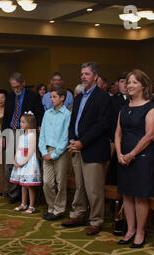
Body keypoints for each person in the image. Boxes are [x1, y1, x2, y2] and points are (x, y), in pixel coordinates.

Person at [62, 62, 111, 236]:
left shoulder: (103, 97)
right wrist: (72, 141)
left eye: (87, 74)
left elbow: (102, 125)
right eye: (81, 74)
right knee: (80, 186)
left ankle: (96, 220)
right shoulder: (78, 97)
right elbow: (73, 123)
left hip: (94, 149)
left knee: (94, 188)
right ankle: (78, 214)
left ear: (96, 77)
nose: (83, 77)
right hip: (77, 148)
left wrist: (83, 142)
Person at [115, 69, 154, 248]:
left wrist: (132, 154)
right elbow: (117, 133)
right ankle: (130, 230)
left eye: (134, 82)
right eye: (128, 82)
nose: (129, 85)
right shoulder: (124, 108)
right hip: (123, 156)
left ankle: (140, 232)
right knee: (126, 193)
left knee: (140, 195)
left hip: (142, 156)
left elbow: (149, 135)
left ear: (143, 86)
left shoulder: (150, 107)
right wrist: (119, 154)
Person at [2, 72, 44, 204]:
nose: (15, 89)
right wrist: (3, 135)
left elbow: (39, 114)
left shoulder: (34, 96)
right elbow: (6, 117)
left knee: (27, 163)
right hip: (11, 131)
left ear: (23, 83)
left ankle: (28, 195)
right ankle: (14, 194)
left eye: (17, 86)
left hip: (26, 133)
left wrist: (37, 129)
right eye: (13, 87)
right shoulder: (9, 97)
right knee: (10, 164)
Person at [39, 88, 71, 221]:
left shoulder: (67, 114)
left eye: (54, 97)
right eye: (50, 97)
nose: (51, 99)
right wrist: (44, 152)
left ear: (62, 98)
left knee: (60, 182)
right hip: (47, 150)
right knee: (47, 182)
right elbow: (42, 134)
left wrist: (55, 154)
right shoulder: (47, 113)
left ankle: (58, 210)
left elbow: (65, 137)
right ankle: (51, 207)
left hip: (60, 152)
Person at [10, 112, 41, 214]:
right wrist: (15, 160)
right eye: (20, 121)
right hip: (21, 161)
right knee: (23, 184)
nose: (20, 124)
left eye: (23, 122)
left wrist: (23, 162)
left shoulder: (32, 135)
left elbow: (31, 151)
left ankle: (31, 206)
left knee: (30, 185)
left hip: (29, 162)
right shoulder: (22, 135)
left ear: (29, 123)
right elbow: (19, 149)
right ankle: (23, 203)